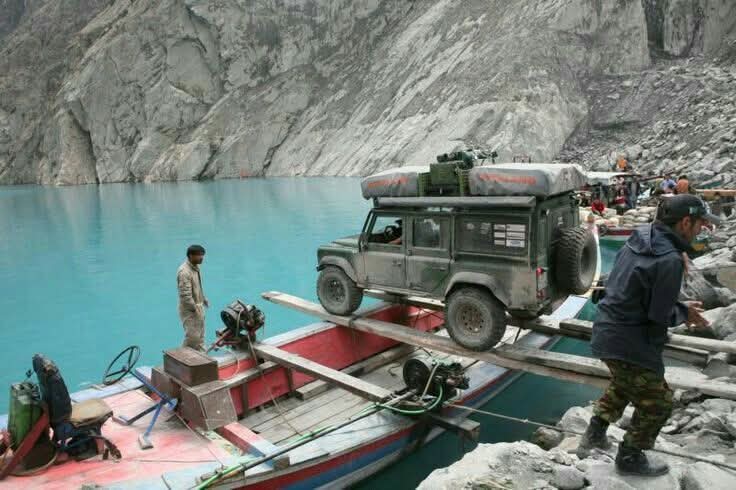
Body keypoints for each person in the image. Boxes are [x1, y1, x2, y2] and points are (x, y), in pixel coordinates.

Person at [577, 195, 719, 476]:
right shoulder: (669, 260)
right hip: (630, 341)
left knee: (624, 384)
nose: (702, 229)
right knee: (659, 403)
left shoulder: (641, 236)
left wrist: (678, 306)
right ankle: (630, 457)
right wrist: (684, 312)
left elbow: (637, 289)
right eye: (700, 224)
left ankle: (593, 435)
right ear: (685, 222)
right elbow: (658, 315)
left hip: (607, 329)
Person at [177, 244, 209, 351]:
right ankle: (182, 357)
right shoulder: (184, 272)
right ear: (191, 256)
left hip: (198, 306)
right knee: (192, 338)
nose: (202, 258)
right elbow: (185, 295)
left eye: (202, 255)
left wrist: (203, 298)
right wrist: (195, 309)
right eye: (199, 255)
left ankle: (202, 356)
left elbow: (197, 286)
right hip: (190, 310)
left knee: (201, 336)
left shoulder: (195, 267)